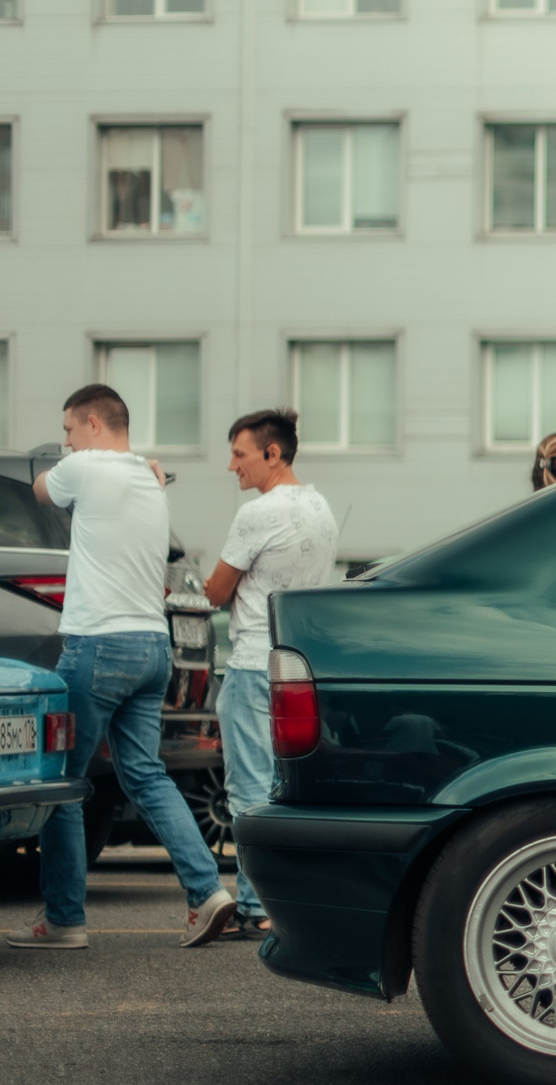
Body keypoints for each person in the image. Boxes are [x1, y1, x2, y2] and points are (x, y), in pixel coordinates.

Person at [6, 386, 229, 950]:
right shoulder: (151, 482)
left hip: (99, 646)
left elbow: (39, 489)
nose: (65, 442)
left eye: (68, 430)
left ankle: (64, 920)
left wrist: (60, 462)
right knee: (146, 774)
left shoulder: (84, 467)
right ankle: (207, 891)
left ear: (92, 422)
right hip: (152, 649)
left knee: (62, 780)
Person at [205, 410, 339, 937]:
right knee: (288, 790)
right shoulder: (320, 507)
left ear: (272, 453)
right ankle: (290, 902)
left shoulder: (257, 514)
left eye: (239, 454)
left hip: (250, 663)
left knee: (248, 790)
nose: (231, 466)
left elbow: (217, 590)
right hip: (297, 663)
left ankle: (255, 905)